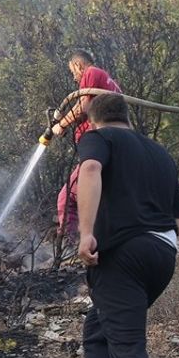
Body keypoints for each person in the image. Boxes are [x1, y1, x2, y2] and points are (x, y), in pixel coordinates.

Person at [62, 93, 179, 358]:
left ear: (94, 120)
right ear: (127, 116)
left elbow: (91, 171)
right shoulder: (160, 154)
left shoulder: (97, 138)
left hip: (124, 256)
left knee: (128, 345)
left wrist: (86, 234)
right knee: (99, 328)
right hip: (162, 254)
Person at [49, 49, 121, 237]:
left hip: (99, 148)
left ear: (78, 65)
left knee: (67, 198)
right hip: (116, 148)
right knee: (102, 200)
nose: (74, 78)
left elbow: (83, 107)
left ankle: (69, 249)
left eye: (73, 72)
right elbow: (85, 106)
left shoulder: (91, 73)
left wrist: (60, 126)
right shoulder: (108, 82)